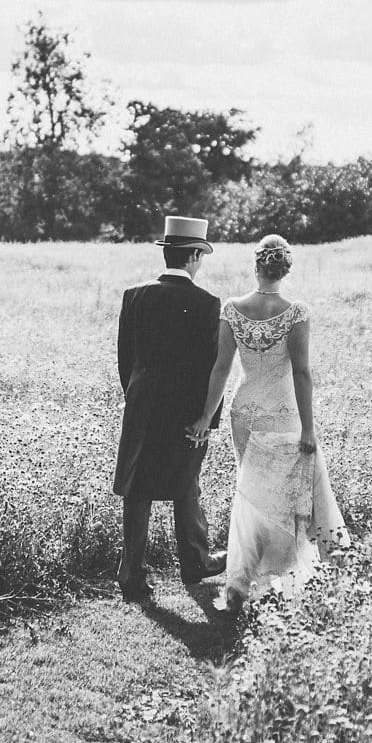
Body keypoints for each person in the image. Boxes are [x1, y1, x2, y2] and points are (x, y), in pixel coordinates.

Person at [188, 234, 347, 609]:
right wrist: (309, 428)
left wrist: (205, 417)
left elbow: (222, 368)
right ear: (285, 269)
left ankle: (244, 579)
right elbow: (302, 374)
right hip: (284, 413)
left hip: (243, 413)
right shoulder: (296, 312)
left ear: (256, 266)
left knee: (252, 495)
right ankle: (280, 578)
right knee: (284, 497)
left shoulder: (232, 309)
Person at [114, 215, 227, 602]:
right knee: (185, 481)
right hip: (186, 408)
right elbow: (212, 366)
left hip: (142, 405)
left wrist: (136, 395)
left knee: (137, 486)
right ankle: (195, 561)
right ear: (194, 255)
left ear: (168, 253)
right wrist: (207, 418)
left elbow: (124, 359)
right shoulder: (207, 303)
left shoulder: (135, 295)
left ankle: (132, 572)